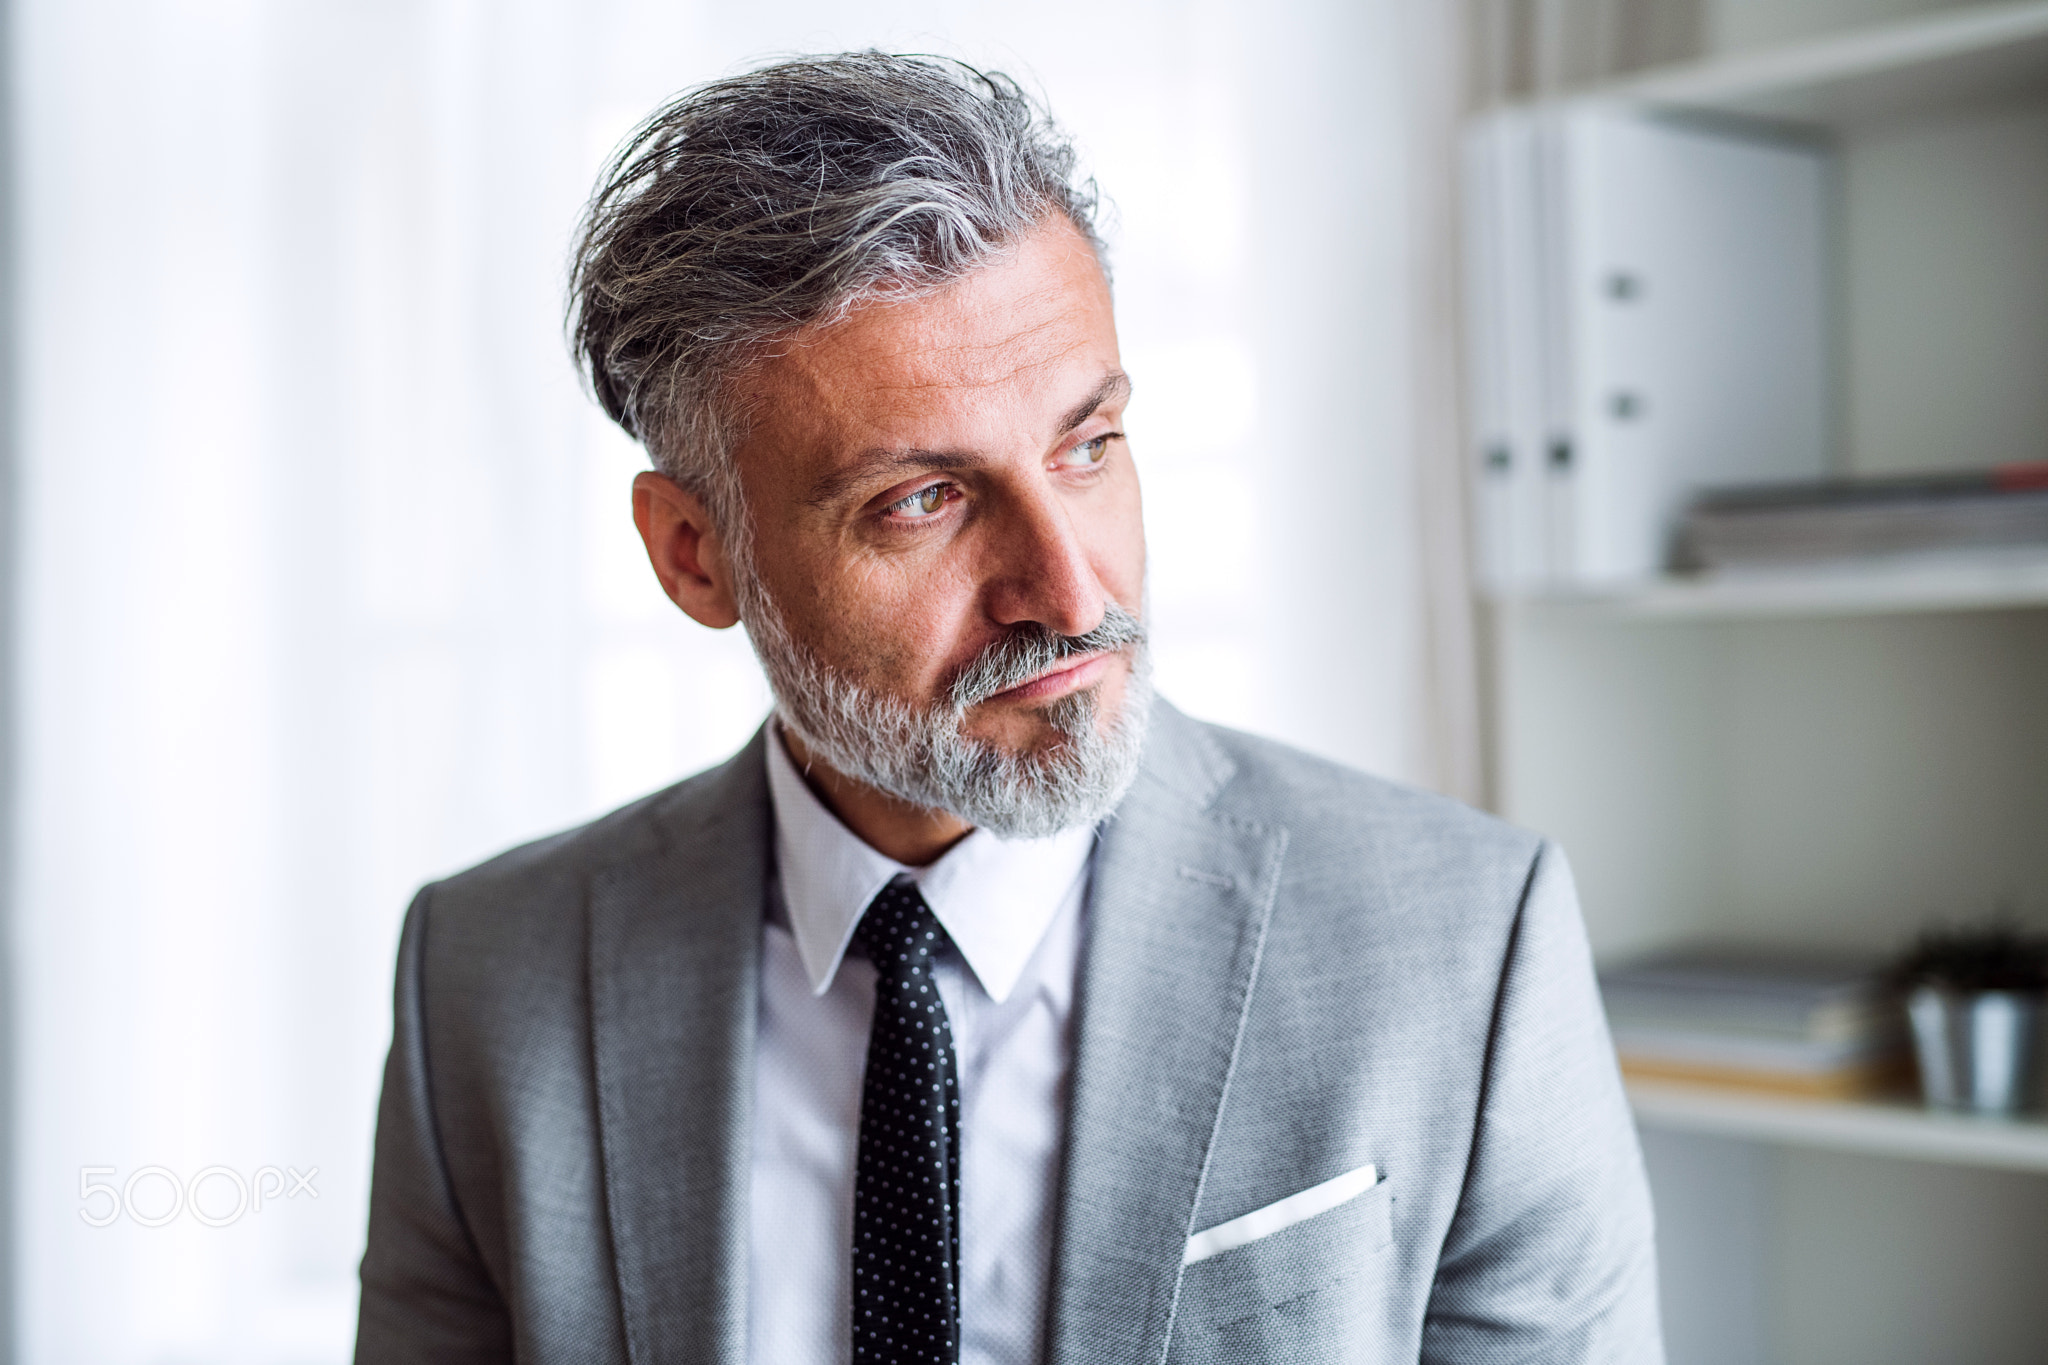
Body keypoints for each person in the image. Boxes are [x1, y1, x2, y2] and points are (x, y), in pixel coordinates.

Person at [354, 52, 1661, 1365]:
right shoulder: (487, 980)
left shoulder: (1465, 946)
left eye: (1087, 446)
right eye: (923, 498)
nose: (1071, 587)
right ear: (696, 553)